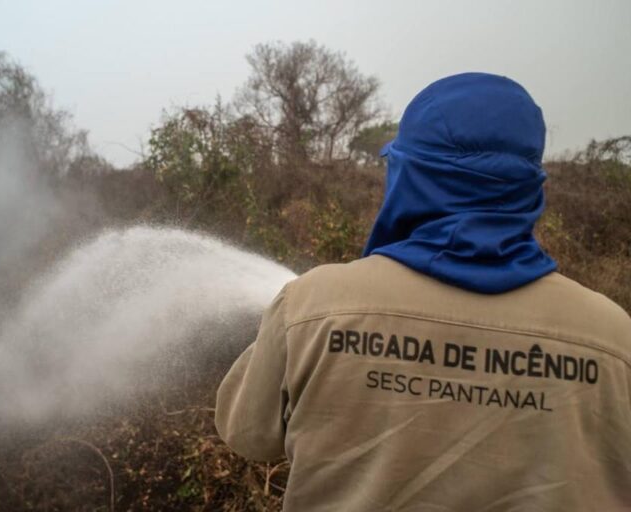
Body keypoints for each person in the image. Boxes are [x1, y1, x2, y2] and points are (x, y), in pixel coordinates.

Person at [215, 73, 631, 511]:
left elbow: (246, 434)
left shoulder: (311, 305)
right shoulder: (614, 337)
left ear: (409, 173)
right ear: (528, 185)